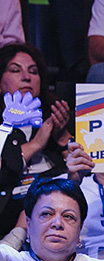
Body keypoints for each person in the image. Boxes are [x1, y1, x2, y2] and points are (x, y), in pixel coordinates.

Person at [0, 43, 72, 237]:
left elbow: (87, 177)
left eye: (33, 71)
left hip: (56, 211)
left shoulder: (57, 118)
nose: (27, 77)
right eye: (15, 70)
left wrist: (62, 137)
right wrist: (36, 144)